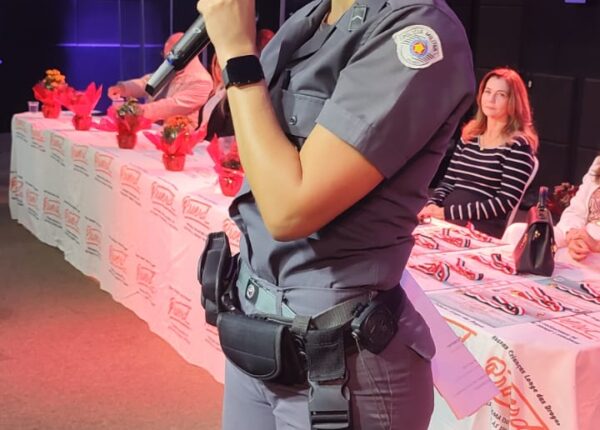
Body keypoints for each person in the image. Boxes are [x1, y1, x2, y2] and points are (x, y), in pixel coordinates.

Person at [198, 0, 474, 429]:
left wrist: (236, 51)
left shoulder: (418, 28)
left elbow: (290, 210)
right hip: (256, 336)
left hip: (340, 364)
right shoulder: (313, 16)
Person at [418, 67, 538, 238]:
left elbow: (505, 202)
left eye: (500, 95)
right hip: (445, 218)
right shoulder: (470, 135)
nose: (491, 99)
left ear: (513, 102)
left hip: (481, 226)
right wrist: (432, 205)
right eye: (487, 92)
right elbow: (448, 182)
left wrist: (448, 213)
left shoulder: (518, 145)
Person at [108, 33, 213, 128]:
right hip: (155, 129)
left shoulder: (202, 80)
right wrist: (123, 88)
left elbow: (171, 106)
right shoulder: (170, 69)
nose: (167, 61)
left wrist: (139, 111)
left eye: (171, 56)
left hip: (179, 137)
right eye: (166, 56)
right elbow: (146, 84)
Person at [553, 156, 600, 261]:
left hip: (595, 250)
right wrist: (572, 234)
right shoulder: (598, 163)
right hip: (583, 239)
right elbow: (576, 211)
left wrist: (596, 245)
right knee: (520, 233)